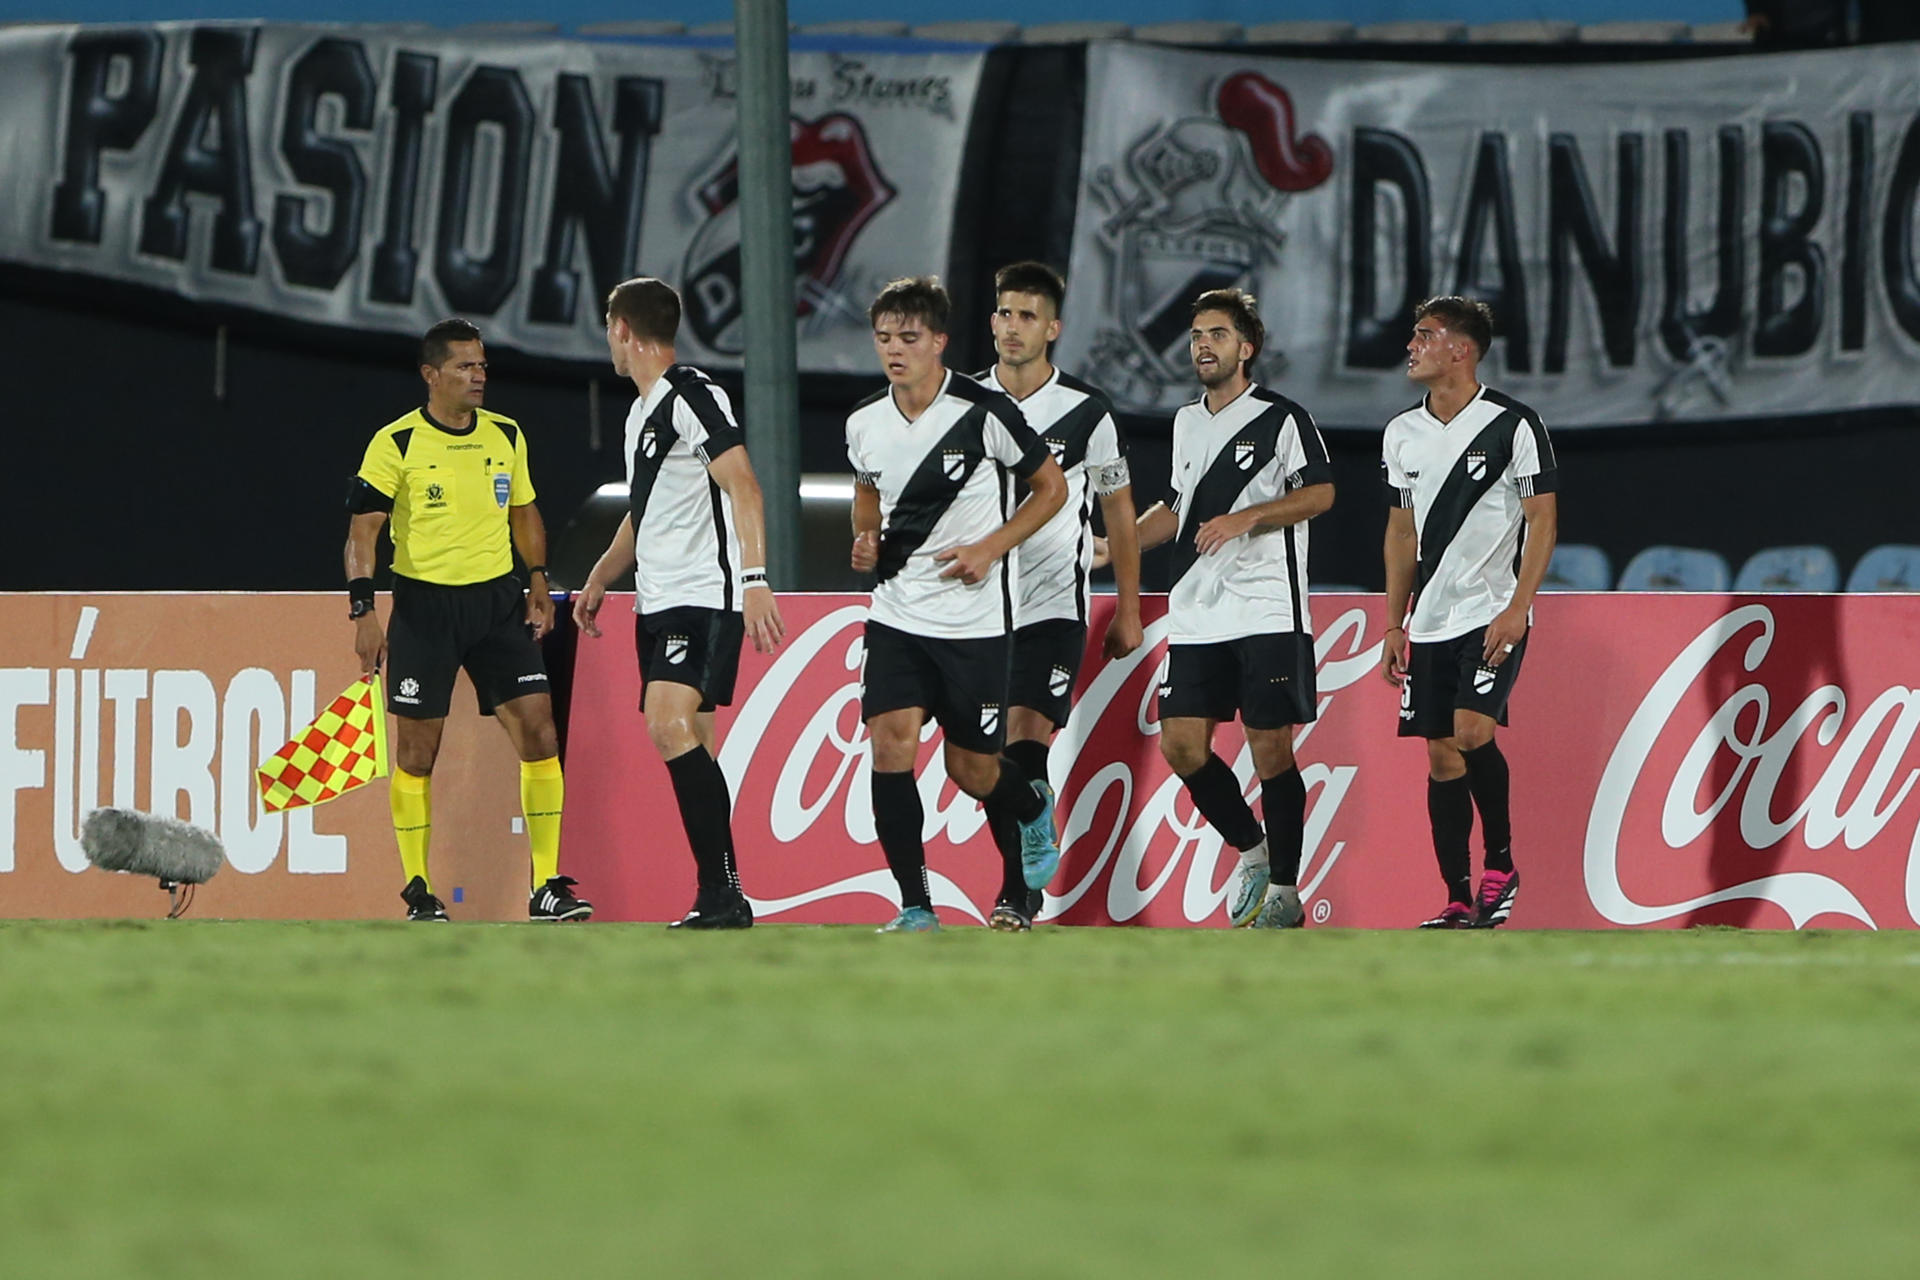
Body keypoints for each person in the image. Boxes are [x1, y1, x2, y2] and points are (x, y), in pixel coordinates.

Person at [345, 319, 590, 923]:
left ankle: (547, 886)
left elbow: (526, 513)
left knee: (541, 734)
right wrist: (363, 611)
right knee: (417, 753)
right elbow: (362, 534)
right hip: (424, 610)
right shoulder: (395, 443)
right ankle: (419, 890)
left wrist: (537, 580)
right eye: (464, 367)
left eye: (482, 366)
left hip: (497, 607)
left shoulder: (506, 434)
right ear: (431, 376)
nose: (478, 376)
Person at [847, 276, 1070, 932]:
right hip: (897, 615)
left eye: (909, 338)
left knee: (970, 769)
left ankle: (1030, 808)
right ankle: (916, 907)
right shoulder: (864, 421)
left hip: (973, 623)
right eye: (885, 338)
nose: (895, 350)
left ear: (939, 342)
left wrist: (992, 547)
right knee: (889, 745)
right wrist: (867, 535)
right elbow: (866, 490)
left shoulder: (984, 413)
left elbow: (1050, 489)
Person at [573, 278, 785, 929]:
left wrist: (754, 578)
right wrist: (603, 575)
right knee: (696, 744)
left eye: (608, 326)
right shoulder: (643, 412)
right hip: (659, 601)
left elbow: (744, 485)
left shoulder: (693, 394)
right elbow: (646, 513)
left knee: (667, 723)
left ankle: (725, 893)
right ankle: (719, 895)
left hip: (703, 596)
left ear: (622, 330)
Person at [1134, 289, 1333, 930]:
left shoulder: (1281, 419)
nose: (1202, 346)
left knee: (1270, 750)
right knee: (1182, 746)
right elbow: (1174, 507)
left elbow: (1322, 493)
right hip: (1197, 613)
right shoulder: (1185, 422)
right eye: (1196, 335)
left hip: (1266, 611)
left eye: (1216, 335)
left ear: (1246, 348)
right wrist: (1115, 543)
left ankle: (1285, 890)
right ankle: (1253, 849)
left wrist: (1247, 516)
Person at [973, 261, 1144, 931]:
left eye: (1027, 316)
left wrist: (1127, 607)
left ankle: (1017, 892)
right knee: (981, 759)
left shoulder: (1087, 412)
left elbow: (1120, 513)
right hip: (976, 609)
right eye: (1005, 314)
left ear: (1052, 328)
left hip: (1052, 606)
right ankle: (1033, 818)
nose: (1013, 327)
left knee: (1022, 742)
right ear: (992, 322)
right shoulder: (960, 402)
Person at [1379, 296, 1558, 929]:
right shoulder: (1402, 432)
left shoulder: (1514, 425)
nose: (1412, 346)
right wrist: (1394, 623)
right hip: (1427, 619)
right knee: (1441, 757)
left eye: (1425, 336)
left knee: (1472, 732)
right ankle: (1457, 898)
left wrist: (1519, 608)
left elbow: (1542, 521)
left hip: (1490, 613)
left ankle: (1501, 865)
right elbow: (1400, 533)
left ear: (1461, 349)